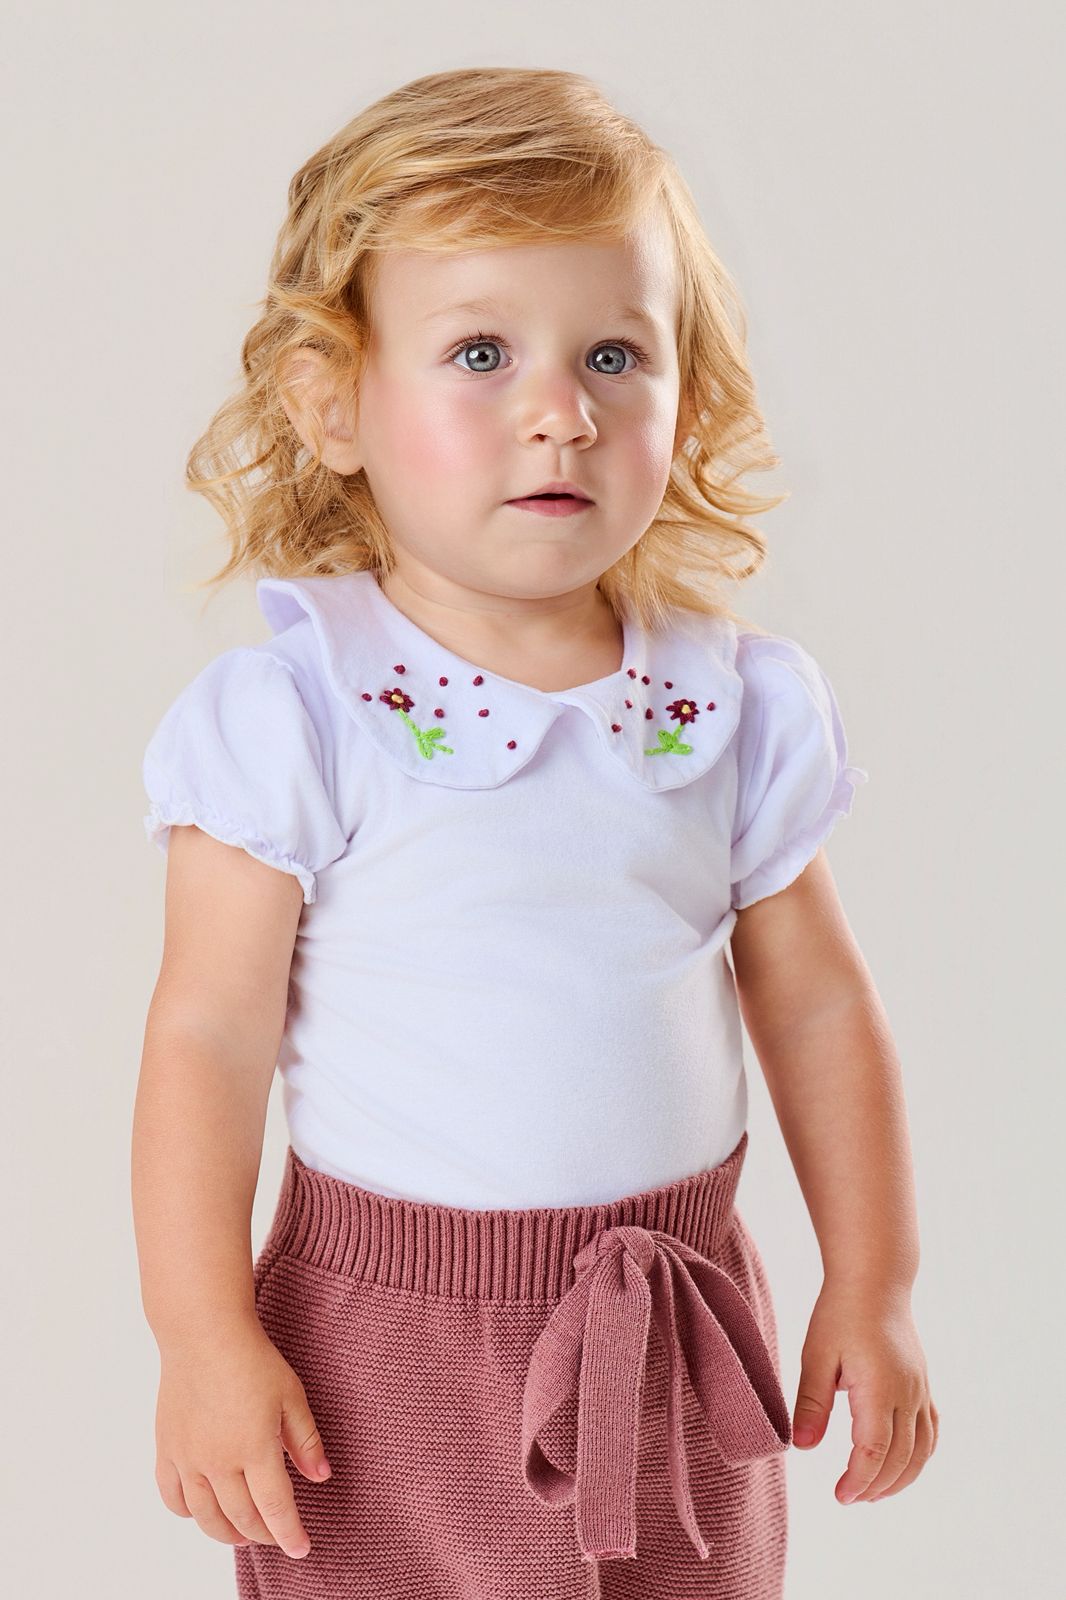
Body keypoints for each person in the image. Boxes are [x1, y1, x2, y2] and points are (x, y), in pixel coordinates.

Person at [131, 65, 937, 1600]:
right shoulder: (296, 715)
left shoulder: (732, 703)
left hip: (674, 1324)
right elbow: (207, 1039)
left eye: (613, 354)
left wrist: (873, 1280)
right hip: (378, 1358)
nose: (561, 410)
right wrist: (201, 1334)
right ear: (332, 403)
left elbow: (818, 1007)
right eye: (481, 353)